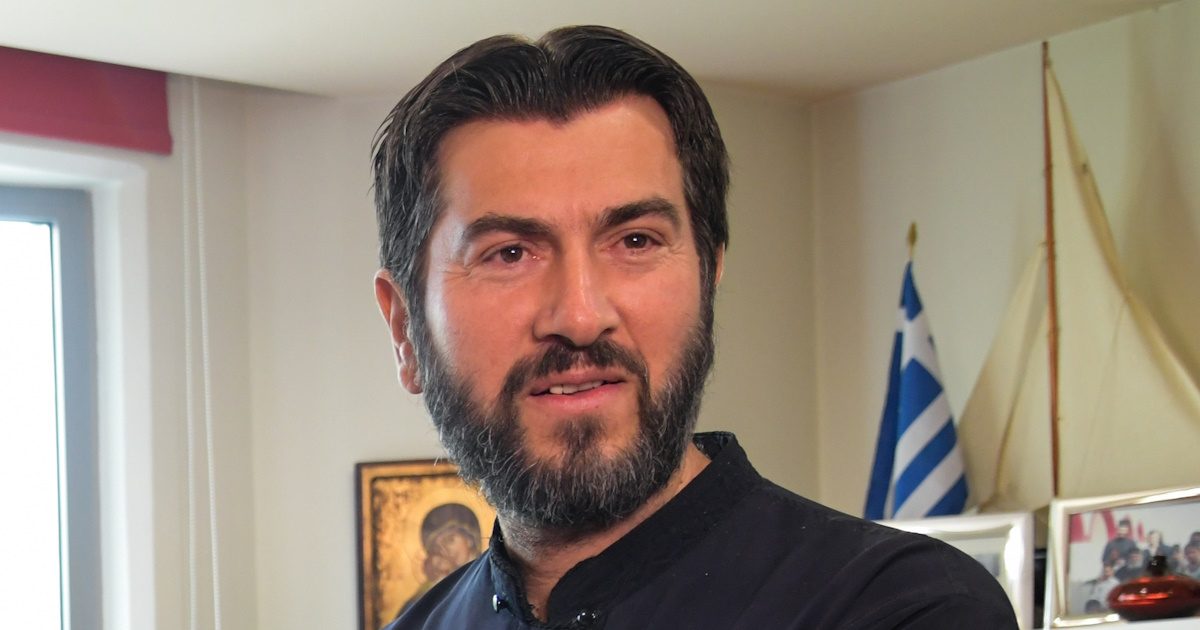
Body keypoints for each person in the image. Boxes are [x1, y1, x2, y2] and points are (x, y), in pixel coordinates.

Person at [371, 25, 1018, 629]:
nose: (581, 317)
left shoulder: (901, 606)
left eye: (636, 240)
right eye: (509, 253)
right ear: (404, 330)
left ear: (709, 277)